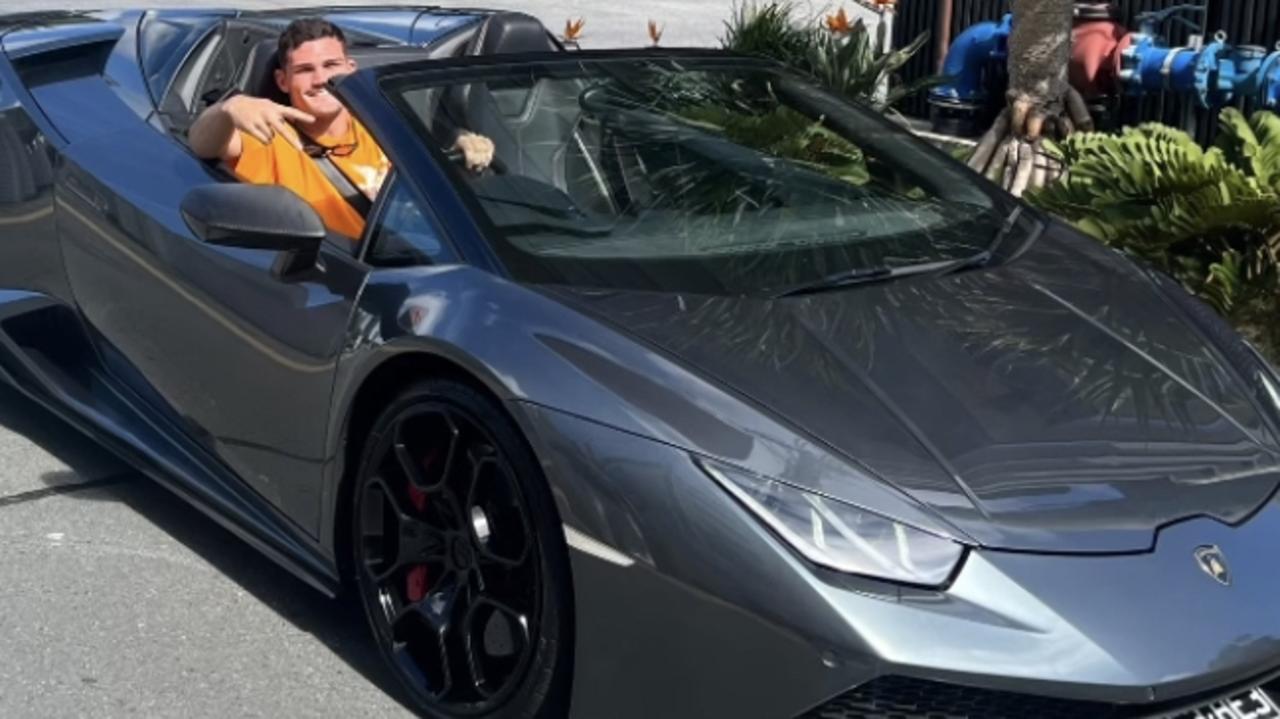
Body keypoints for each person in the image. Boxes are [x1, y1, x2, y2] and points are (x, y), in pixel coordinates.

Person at [188, 17, 494, 240]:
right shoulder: (267, 135)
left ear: (350, 69)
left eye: (331, 65)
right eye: (305, 70)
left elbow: (431, 187)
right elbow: (202, 143)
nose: (321, 79)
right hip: (338, 275)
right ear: (283, 81)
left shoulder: (385, 122)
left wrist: (463, 148)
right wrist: (230, 108)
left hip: (423, 262)